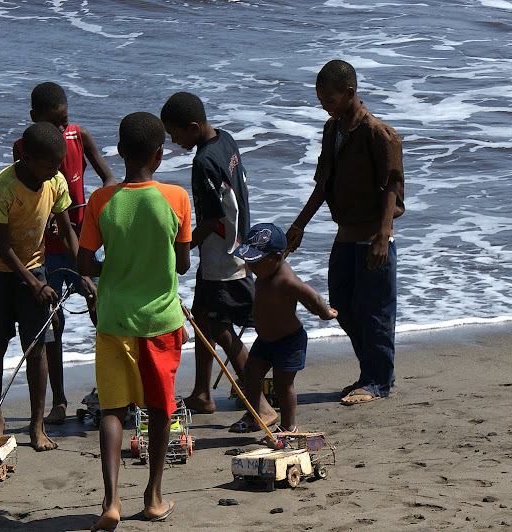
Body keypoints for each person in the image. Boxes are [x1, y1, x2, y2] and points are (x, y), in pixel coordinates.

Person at [77, 112, 191, 532]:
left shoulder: (101, 201)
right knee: (160, 410)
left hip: (112, 320)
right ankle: (153, 497)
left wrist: (115, 268)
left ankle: (111, 500)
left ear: (120, 152)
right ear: (159, 155)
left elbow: (85, 262)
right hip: (160, 322)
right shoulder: (177, 198)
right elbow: (181, 264)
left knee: (112, 409)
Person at [286, 59, 405, 405]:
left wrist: (383, 236)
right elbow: (323, 184)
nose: (325, 106)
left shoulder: (379, 134)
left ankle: (377, 381)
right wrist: (299, 224)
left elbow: (391, 188)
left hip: (373, 235)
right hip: (345, 233)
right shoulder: (332, 129)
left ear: (350, 93)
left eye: (330, 99)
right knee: (340, 303)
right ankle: (374, 370)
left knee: (376, 310)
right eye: (321, 100)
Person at [160, 92, 276, 429]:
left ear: (194, 127)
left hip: (222, 260)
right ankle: (201, 393)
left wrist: (178, 248)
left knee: (222, 328)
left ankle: (261, 406)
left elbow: (210, 222)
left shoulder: (202, 163)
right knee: (202, 318)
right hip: (237, 247)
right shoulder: (226, 140)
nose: (173, 140)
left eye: (176, 133)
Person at [13, 82, 116, 425]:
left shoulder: (78, 136)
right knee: (53, 322)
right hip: (47, 251)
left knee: (100, 308)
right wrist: (53, 225)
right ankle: (58, 400)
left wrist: (109, 206)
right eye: (52, 122)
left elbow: (108, 177)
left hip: (82, 241)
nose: (60, 129)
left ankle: (111, 389)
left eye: (64, 121)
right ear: (33, 119)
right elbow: (28, 197)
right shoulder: (23, 148)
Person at [0, 122, 77, 451]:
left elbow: (67, 231)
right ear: (27, 159)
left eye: (59, 165)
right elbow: (2, 247)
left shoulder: (56, 182)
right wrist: (34, 283)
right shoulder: (3, 187)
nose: (56, 171)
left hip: (34, 267)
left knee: (37, 349)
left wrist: (84, 275)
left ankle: (36, 425)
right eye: (49, 165)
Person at [231, 223, 337, 435]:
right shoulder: (264, 273)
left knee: (282, 385)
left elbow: (312, 297)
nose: (251, 267)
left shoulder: (286, 281)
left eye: (256, 261)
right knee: (251, 374)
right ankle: (255, 414)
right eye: (249, 261)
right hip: (265, 341)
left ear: (277, 258)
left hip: (289, 342)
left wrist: (325, 312)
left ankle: (289, 427)